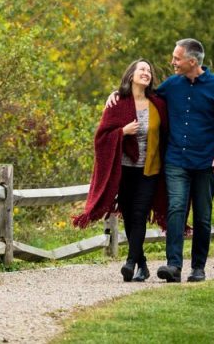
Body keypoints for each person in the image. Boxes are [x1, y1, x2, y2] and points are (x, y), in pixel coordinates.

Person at [107, 38, 214, 283]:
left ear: (192, 61)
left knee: (202, 216)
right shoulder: (172, 85)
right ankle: (174, 266)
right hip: (176, 160)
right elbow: (145, 95)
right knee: (176, 208)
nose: (172, 62)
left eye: (177, 59)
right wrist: (118, 94)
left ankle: (198, 267)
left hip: (206, 163)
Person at [72, 59, 169, 282]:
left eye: (149, 70)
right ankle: (142, 265)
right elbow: (101, 137)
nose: (146, 73)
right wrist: (122, 132)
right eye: (142, 69)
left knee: (139, 214)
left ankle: (130, 262)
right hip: (124, 171)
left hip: (149, 170)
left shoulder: (158, 104)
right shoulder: (117, 102)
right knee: (130, 216)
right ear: (131, 75)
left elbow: (167, 134)